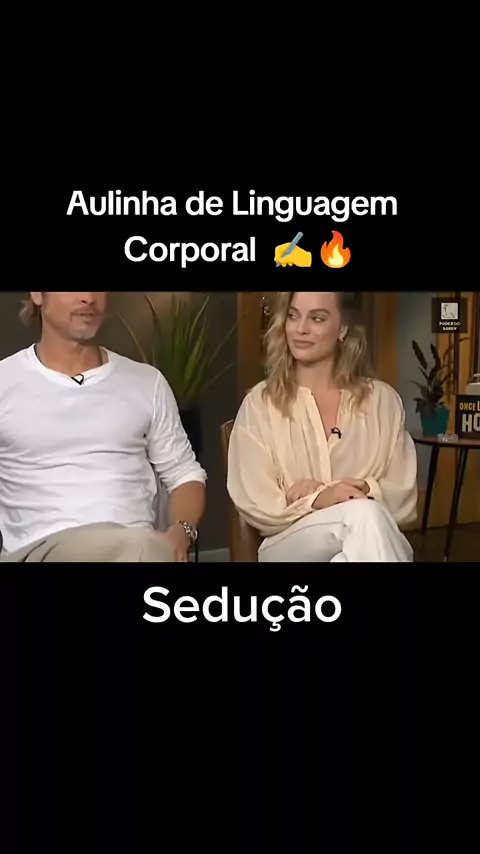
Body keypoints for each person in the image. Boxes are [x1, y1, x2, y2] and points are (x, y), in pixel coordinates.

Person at [0, 292, 207, 562]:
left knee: (145, 549)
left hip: (136, 546)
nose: (88, 298)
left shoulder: (147, 383)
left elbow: (185, 475)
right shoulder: (6, 382)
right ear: (38, 295)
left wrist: (181, 532)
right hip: (39, 550)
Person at [227, 291, 418, 562]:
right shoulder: (260, 404)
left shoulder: (382, 402)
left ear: (343, 329)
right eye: (293, 316)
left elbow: (404, 499)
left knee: (348, 551)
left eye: (317, 318)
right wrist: (318, 499)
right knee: (363, 514)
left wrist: (349, 491)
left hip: (369, 536)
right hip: (288, 543)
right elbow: (256, 501)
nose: (301, 329)